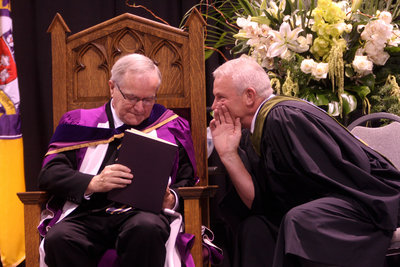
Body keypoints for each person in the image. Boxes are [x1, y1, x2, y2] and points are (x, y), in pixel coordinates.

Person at [209, 56, 400, 267]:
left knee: (301, 219)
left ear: (249, 96)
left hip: (371, 199)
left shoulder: (282, 117)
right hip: (335, 202)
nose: (214, 106)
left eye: (220, 97)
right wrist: (228, 154)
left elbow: (336, 182)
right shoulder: (253, 130)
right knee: (254, 228)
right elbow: (259, 203)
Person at [38, 53, 197, 267]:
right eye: (132, 98)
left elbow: (189, 181)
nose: (140, 108)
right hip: (88, 214)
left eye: (148, 99)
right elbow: (50, 175)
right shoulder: (79, 123)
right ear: (112, 87)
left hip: (143, 214)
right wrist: (93, 182)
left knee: (146, 229)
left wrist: (172, 199)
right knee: (60, 238)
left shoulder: (170, 126)